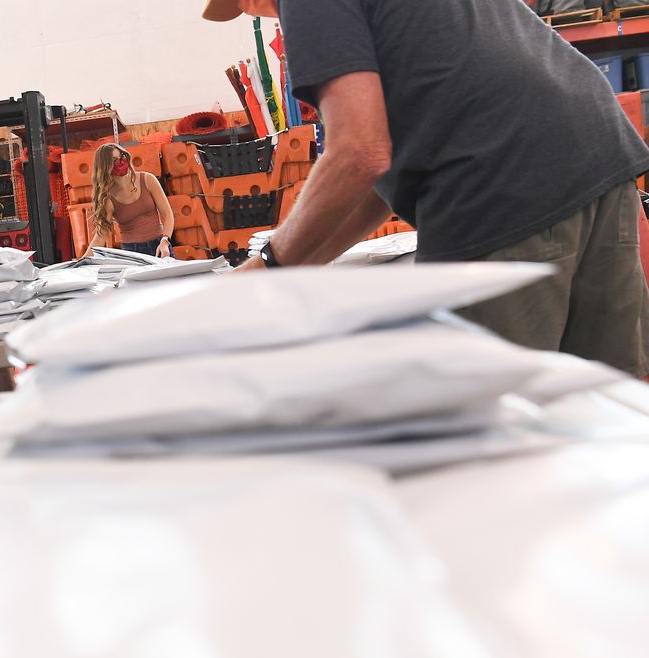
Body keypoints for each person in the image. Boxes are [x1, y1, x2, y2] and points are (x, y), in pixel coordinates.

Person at [204, 0, 649, 377]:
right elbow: (381, 172)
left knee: (484, 429)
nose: (261, 15)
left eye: (245, 6)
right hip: (596, 153)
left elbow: (359, 151)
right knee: (603, 413)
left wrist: (270, 264)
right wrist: (297, 264)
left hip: (499, 184)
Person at [85, 144, 174, 258]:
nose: (121, 162)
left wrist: (165, 240)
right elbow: (101, 236)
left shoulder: (147, 179)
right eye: (115, 160)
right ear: (106, 167)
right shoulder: (108, 199)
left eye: (122, 156)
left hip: (160, 245)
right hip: (133, 252)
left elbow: (167, 214)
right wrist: (82, 262)